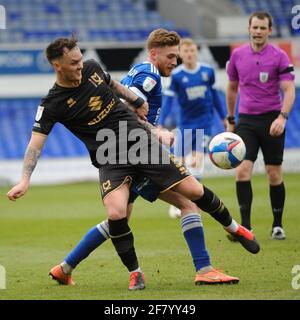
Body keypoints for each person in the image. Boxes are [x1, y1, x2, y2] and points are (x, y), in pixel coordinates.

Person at [7, 34, 259, 292]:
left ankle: (234, 231)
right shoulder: (53, 104)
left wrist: (137, 102)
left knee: (191, 195)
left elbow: (113, 85)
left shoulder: (91, 68)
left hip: (140, 146)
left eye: (81, 60)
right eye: (74, 63)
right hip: (110, 158)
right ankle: (136, 272)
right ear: (57, 65)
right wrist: (25, 179)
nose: (80, 66)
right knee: (118, 214)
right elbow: (35, 143)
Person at [226, 11, 295, 240]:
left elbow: (289, 90)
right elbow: (232, 88)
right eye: (254, 27)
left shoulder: (280, 56)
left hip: (272, 120)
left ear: (269, 30)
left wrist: (282, 117)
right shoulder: (237, 55)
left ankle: (277, 225)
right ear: (249, 29)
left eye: (262, 28)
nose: (258, 31)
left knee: (273, 173)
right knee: (242, 170)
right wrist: (231, 118)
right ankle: (246, 228)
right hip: (246, 121)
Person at [158, 38, 226, 218]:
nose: (189, 54)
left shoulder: (207, 72)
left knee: (196, 162)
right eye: (186, 51)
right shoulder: (177, 75)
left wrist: (224, 116)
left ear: (196, 52)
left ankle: (191, 203)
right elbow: (169, 100)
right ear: (181, 54)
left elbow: (216, 96)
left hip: (205, 124)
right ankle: (178, 202)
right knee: (179, 165)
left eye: (192, 51)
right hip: (185, 126)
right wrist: (161, 122)